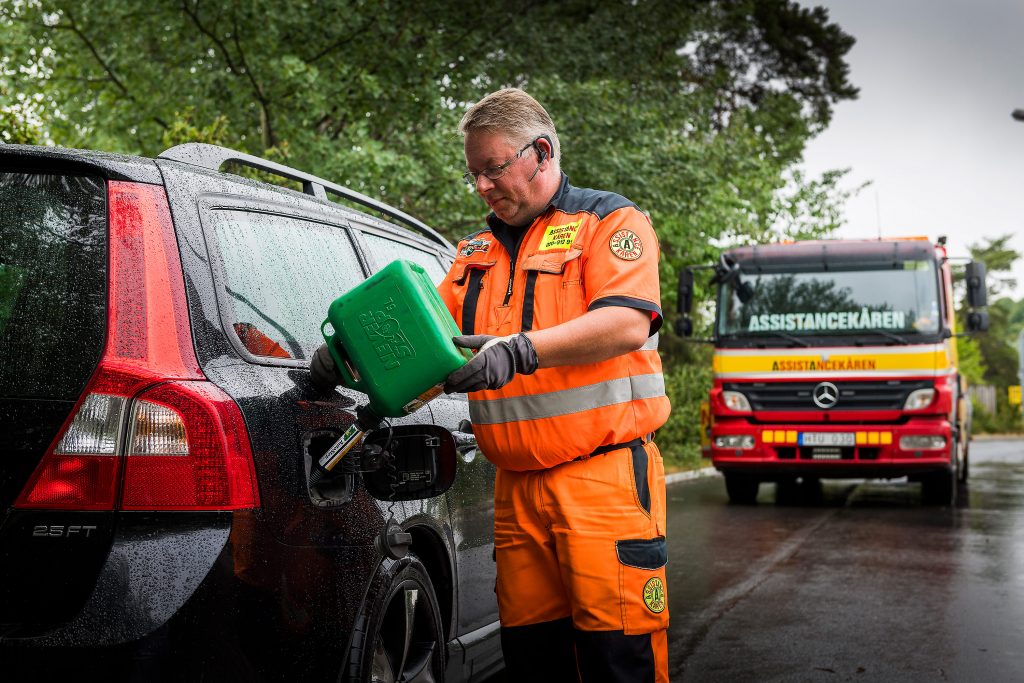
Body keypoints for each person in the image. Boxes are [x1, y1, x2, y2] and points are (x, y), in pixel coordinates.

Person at [439, 88, 671, 683]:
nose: (484, 187)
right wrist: (342, 358)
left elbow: (625, 320)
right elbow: (424, 345)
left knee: (618, 663)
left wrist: (520, 352)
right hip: (516, 491)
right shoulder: (473, 256)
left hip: (604, 481)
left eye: (493, 169)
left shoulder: (610, 222)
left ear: (540, 152)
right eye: (475, 175)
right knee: (533, 663)